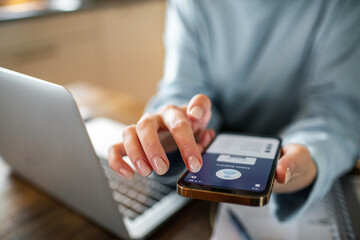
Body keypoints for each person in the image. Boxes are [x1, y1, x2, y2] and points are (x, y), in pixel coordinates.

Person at [108, 0, 360, 221]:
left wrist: (312, 154)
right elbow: (183, 88)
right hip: (207, 176)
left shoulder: (342, 5)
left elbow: (337, 110)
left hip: (297, 176)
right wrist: (179, 126)